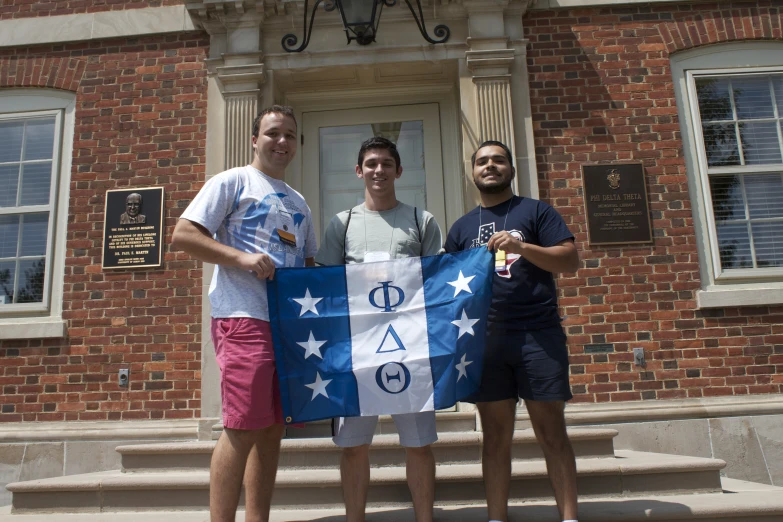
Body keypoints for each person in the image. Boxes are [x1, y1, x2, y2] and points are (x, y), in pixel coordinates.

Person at [172, 105, 317, 522]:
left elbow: (306, 267)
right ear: (254, 139)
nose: (282, 141)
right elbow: (183, 235)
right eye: (273, 133)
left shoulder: (300, 203)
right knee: (242, 426)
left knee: (273, 428)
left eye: (290, 134)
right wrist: (240, 257)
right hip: (243, 317)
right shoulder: (232, 181)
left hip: (287, 326)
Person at [444, 140, 580, 522]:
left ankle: (569, 517)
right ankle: (496, 517)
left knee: (551, 431)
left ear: (510, 168)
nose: (490, 166)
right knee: (495, 437)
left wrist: (523, 247)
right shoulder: (461, 228)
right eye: (483, 161)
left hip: (538, 335)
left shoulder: (536, 211)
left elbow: (569, 259)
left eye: (498, 160)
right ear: (473, 172)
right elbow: (448, 286)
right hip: (486, 340)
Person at [315, 136, 443, 522]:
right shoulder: (343, 223)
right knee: (353, 446)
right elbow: (326, 286)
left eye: (387, 163)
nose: (378, 170)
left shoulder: (422, 220)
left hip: (411, 347)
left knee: (418, 445)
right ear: (359, 171)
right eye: (371, 163)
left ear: (399, 171)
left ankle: (424, 518)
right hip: (358, 351)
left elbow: (437, 282)